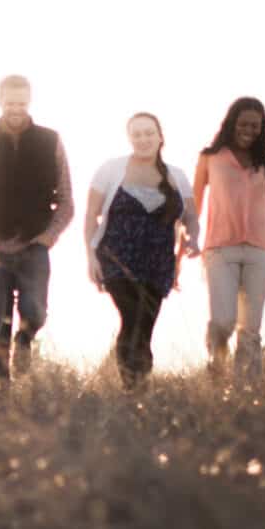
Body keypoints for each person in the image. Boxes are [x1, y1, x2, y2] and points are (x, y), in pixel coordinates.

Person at [0, 74, 74, 381]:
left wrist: (47, 239)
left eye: (21, 103)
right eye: (10, 103)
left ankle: (25, 340)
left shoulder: (51, 140)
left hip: (34, 246)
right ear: (0, 102)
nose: (16, 109)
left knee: (35, 312)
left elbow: (65, 198)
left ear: (29, 102)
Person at [84, 112, 200, 389]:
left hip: (158, 263)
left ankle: (137, 389)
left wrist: (192, 239)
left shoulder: (177, 176)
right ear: (129, 138)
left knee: (144, 325)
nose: (143, 139)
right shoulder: (111, 169)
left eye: (149, 133)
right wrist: (90, 256)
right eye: (137, 134)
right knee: (132, 316)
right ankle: (133, 386)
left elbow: (191, 217)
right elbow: (91, 215)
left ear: (160, 137)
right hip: (116, 257)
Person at [192, 97, 265, 379]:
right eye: (243, 124)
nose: (248, 130)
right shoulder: (210, 157)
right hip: (220, 249)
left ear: (262, 127)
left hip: (260, 251)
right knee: (224, 321)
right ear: (231, 123)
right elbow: (195, 202)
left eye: (255, 125)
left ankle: (246, 394)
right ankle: (216, 361)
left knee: (250, 329)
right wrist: (186, 241)